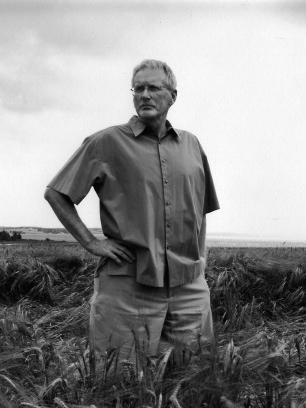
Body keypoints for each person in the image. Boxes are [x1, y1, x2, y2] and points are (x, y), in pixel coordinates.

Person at [44, 59, 219, 364]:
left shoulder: (192, 146)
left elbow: (200, 210)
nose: (145, 95)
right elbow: (56, 193)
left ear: (173, 95)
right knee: (119, 381)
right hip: (128, 286)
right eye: (138, 88)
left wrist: (200, 262)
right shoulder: (106, 142)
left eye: (154, 87)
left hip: (189, 287)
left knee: (195, 376)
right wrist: (91, 242)